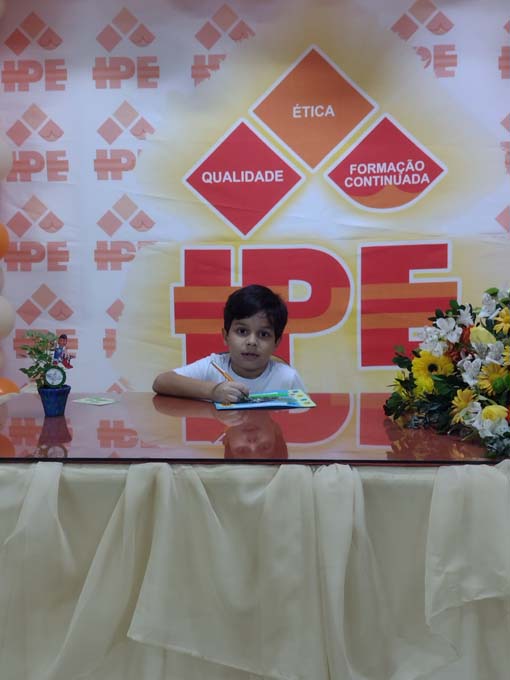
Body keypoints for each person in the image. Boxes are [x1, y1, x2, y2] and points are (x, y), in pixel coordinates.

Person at [152, 284, 305, 403]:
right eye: (242, 331)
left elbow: (302, 420)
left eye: (263, 334)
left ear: (277, 342)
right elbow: (161, 381)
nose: (252, 342)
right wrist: (213, 391)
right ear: (226, 336)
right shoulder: (213, 366)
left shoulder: (288, 378)